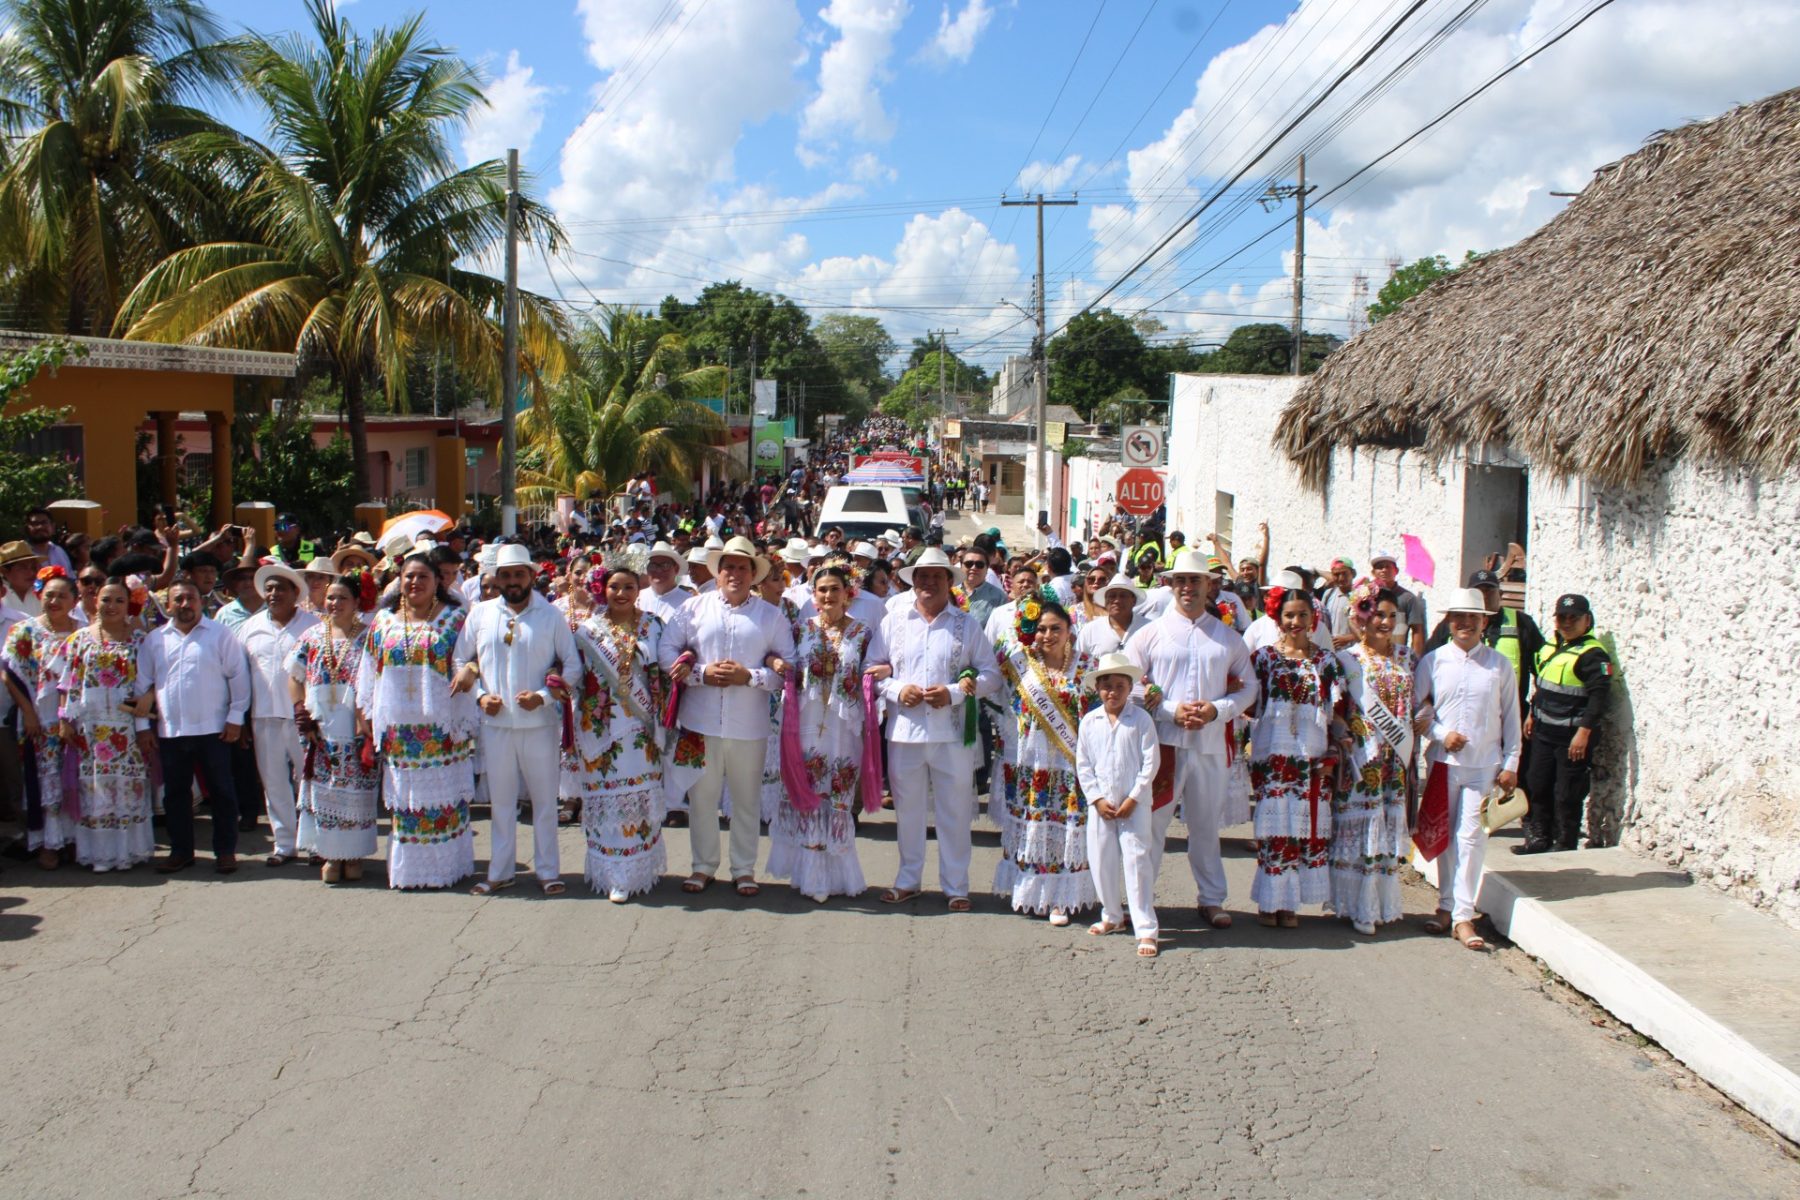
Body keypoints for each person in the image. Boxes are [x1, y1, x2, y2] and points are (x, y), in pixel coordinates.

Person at [1123, 548, 1256, 930]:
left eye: (1195, 580)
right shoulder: (1149, 634)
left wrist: (1218, 710)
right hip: (1163, 745)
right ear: (1169, 584)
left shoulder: (1228, 638)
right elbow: (1126, 683)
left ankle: (1211, 898)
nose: (1187, 587)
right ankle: (1141, 901)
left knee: (1204, 825)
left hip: (1211, 745)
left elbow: (1249, 688)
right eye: (1180, 580)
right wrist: (1168, 710)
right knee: (1152, 825)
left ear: (1210, 585)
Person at [658, 535, 795, 898]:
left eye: (742, 567)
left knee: (745, 798)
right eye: (728, 567)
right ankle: (702, 866)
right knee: (701, 797)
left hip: (748, 724)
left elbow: (788, 668)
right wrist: (701, 673)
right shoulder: (693, 609)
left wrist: (749, 676)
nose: (735, 573)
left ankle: (744, 869)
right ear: (717, 573)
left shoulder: (771, 616)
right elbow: (666, 651)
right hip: (698, 721)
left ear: (754, 574)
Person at [879, 547, 1000, 911]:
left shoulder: (966, 624)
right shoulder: (893, 624)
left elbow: (991, 675)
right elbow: (872, 670)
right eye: (922, 576)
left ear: (950, 581)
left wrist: (953, 693)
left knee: (955, 811)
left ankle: (956, 885)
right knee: (909, 811)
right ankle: (908, 879)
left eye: (937, 576)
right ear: (913, 581)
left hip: (952, 734)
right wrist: (899, 690)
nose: (929, 582)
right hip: (905, 733)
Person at [454, 544, 579, 896]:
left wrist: (541, 695)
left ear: (532, 576)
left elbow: (572, 666)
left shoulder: (551, 615)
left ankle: (548, 871)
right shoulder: (480, 614)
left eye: (518, 574)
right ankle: (500, 871)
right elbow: (460, 661)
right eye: (505, 575)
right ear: (496, 579)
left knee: (543, 802)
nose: (512, 581)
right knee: (503, 803)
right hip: (496, 726)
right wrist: (480, 695)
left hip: (539, 725)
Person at [356, 552, 479, 890]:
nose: (415, 583)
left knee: (443, 801)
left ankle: (447, 869)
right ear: (400, 581)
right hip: (399, 731)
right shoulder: (383, 622)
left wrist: (471, 669)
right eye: (409, 576)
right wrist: (365, 713)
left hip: (441, 728)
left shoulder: (455, 619)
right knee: (407, 804)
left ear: (437, 581)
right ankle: (411, 872)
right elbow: (369, 669)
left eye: (422, 576)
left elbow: (475, 655)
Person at [768, 564, 888, 902]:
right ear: (814, 595)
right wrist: (776, 662)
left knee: (837, 795)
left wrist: (885, 670)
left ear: (848, 593)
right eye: (821, 590)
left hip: (845, 726)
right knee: (807, 793)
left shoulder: (864, 633)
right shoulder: (800, 629)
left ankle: (834, 875)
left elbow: (879, 666)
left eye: (834, 589)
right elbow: (779, 658)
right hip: (806, 723)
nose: (828, 596)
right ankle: (809, 874)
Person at [1414, 587, 1522, 951]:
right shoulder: (1433, 662)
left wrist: (1511, 763)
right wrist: (1442, 735)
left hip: (1484, 766)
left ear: (1483, 622)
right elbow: (1419, 713)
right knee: (1444, 838)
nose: (1465, 624)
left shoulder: (1498, 665)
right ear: (1450, 622)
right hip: (1444, 763)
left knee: (1472, 838)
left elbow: (1511, 717)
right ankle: (1445, 907)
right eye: (1459, 617)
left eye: (1472, 618)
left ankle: (1463, 915)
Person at [1246, 582, 1348, 928]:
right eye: (1289, 615)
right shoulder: (1263, 659)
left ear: (1313, 618)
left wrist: (1333, 752)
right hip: (1273, 758)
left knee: (1304, 833)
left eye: (1302, 615)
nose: (1295, 622)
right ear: (1277, 617)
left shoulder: (1326, 662)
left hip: (1311, 760)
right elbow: (1248, 704)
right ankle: (1269, 902)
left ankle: (1289, 905)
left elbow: (1338, 713)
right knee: (1276, 830)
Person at [567, 564, 669, 901]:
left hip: (642, 729)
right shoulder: (587, 630)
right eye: (614, 587)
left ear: (638, 589)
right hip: (600, 730)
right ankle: (612, 874)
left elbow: (666, 670)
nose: (621, 593)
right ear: (603, 590)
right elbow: (574, 673)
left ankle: (639, 871)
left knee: (638, 801)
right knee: (606, 801)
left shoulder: (654, 626)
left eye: (628, 587)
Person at [994, 597, 1098, 922]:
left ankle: (1060, 898)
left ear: (1070, 631)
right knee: (1033, 823)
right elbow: (995, 700)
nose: (1048, 635)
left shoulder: (1087, 666)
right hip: (1030, 761)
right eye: (1041, 629)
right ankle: (1030, 889)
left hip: (1070, 762)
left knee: (1067, 828)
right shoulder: (1018, 664)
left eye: (1056, 628)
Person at [139, 575, 250, 874]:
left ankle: (225, 852)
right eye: (178, 599)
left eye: (191, 598)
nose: (185, 604)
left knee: (222, 793)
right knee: (175, 795)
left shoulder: (220, 635)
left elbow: (238, 679)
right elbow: (142, 686)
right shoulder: (155, 640)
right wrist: (142, 728)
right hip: (171, 730)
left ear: (201, 601)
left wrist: (235, 719)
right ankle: (181, 851)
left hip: (214, 729)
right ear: (167, 604)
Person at [50, 580, 157, 872]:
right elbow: (66, 682)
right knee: (94, 789)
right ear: (95, 602)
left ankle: (128, 852)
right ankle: (99, 855)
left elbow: (155, 678)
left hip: (127, 727)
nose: (111, 606)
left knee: (128, 786)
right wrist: (64, 719)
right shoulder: (79, 639)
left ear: (129, 605)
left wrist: (147, 698)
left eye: (119, 601)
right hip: (89, 727)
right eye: (106, 600)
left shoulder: (140, 640)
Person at [1331, 582, 1416, 936]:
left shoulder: (1407, 658)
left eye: (1391, 616)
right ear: (1363, 616)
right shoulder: (1348, 660)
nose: (1385, 622)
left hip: (1393, 759)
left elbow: (1420, 702)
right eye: (1378, 614)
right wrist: (1340, 731)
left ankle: (1379, 904)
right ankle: (1357, 907)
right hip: (1362, 758)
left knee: (1385, 827)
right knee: (1362, 828)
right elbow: (1334, 708)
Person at [288, 570, 379, 883]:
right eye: (330, 597)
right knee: (324, 789)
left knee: (355, 789)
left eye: (342, 598)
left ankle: (352, 855)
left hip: (355, 724)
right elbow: (295, 675)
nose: (335, 603)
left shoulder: (369, 635)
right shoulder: (312, 636)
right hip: (321, 724)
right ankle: (328, 854)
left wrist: (367, 717)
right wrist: (302, 712)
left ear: (356, 602)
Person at [1078, 650, 1162, 957]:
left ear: (1129, 688)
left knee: (1137, 862)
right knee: (1101, 860)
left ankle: (1146, 928)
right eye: (1106, 685)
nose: (1112, 692)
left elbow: (1151, 762)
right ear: (1098, 688)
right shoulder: (1090, 721)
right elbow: (1083, 764)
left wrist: (1133, 797)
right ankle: (1112, 915)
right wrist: (1096, 798)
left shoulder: (1140, 720)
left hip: (1134, 805)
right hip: (1101, 804)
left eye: (1119, 686)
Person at [238, 562, 320, 866]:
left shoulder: (312, 625)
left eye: (280, 588)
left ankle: (315, 843)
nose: (274, 594)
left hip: (304, 717)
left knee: (308, 781)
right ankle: (284, 844)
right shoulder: (250, 627)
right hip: (263, 716)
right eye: (269, 589)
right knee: (273, 784)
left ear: (295, 592)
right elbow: (240, 674)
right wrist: (242, 717)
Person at [1521, 594, 1613, 853]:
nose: (1567, 622)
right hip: (1543, 731)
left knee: (1566, 794)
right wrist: (1532, 713)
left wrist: (1584, 733)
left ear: (1587, 620)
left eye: (1574, 618)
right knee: (1536, 783)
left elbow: (1598, 699)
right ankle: (1539, 839)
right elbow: (1542, 685)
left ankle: (1564, 844)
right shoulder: (1553, 647)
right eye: (1562, 617)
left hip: (1571, 738)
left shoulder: (1593, 654)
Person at [3, 569, 83, 868]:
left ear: (74, 600)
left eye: (62, 595)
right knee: (45, 778)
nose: (54, 600)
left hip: (76, 718)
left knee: (74, 778)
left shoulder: (84, 631)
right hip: (40, 718)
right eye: (49, 594)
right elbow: (8, 673)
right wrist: (27, 711)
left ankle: (74, 839)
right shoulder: (25, 631)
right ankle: (48, 843)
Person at [1369, 550, 1427, 657]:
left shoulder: (1408, 598)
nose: (1384, 570)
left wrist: (1416, 660)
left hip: (1396, 657)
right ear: (1373, 572)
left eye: (1388, 566)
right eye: (1380, 567)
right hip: (1370, 655)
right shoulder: (1366, 596)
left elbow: (1417, 630)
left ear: (1396, 571)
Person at [1075, 575, 1146, 658]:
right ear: (1105, 601)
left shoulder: (1148, 628)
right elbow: (1079, 663)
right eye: (1112, 596)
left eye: (1123, 596)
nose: (1117, 600)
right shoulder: (1090, 631)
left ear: (1134, 600)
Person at [0, 540, 44, 616]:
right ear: (5, 571)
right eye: (23, 568)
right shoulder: (1, 595)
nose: (31, 573)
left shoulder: (44, 592)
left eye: (33, 567)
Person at [1322, 558, 1358, 649]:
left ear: (1353, 574)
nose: (1341, 578)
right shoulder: (1328, 594)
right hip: (1330, 651)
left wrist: (1349, 638)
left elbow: (1370, 629)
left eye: (1344, 573)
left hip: (1353, 653)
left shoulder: (1361, 596)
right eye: (1336, 574)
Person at [24, 508, 72, 574]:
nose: (40, 527)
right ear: (27, 528)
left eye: (44, 522)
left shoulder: (59, 551)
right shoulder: (22, 555)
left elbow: (70, 578)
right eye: (35, 523)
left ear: (53, 527)